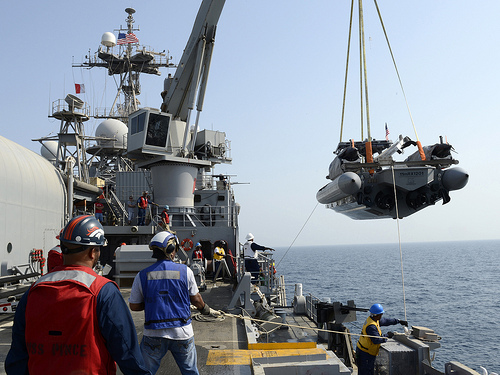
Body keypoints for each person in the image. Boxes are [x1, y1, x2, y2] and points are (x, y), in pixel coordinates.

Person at [5, 215, 150, 375]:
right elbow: (127, 350)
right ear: (92, 252)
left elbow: (18, 356)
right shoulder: (103, 291)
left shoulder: (33, 291)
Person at [129, 231, 220, 375]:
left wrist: (154, 303)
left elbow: (134, 306)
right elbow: (196, 299)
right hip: (182, 331)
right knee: (190, 371)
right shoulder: (186, 271)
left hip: (153, 332)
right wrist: (205, 310)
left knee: (144, 372)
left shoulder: (142, 275)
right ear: (171, 250)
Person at [356, 303, 408, 375]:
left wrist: (398, 321)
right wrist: (387, 336)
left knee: (365, 371)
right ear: (377, 315)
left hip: (364, 350)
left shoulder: (373, 319)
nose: (382, 316)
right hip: (366, 354)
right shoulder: (371, 326)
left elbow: (386, 321)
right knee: (366, 372)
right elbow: (376, 340)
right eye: (381, 314)